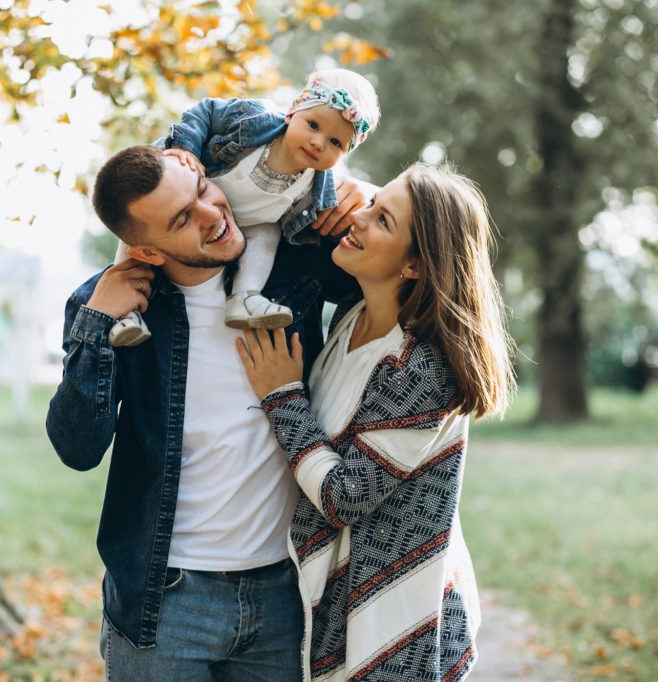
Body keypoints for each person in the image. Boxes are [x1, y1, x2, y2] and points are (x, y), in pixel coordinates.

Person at [45, 144, 365, 680]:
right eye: (182, 220)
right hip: (166, 603)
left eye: (201, 192)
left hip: (285, 595)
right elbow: (76, 447)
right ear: (145, 251)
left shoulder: (290, 271)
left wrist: (354, 193)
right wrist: (97, 321)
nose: (213, 214)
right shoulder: (108, 305)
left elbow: (394, 268)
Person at [236, 163, 517, 681]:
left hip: (394, 630)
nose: (358, 220)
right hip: (335, 603)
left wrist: (281, 395)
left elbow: (346, 496)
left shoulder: (421, 369)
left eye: (382, 220)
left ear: (414, 264)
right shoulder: (350, 319)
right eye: (370, 206)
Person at [108, 68, 380, 346]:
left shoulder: (317, 189)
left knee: (267, 234)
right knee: (136, 233)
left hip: (248, 222)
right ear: (292, 111)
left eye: (335, 142)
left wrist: (373, 199)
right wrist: (185, 148)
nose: (318, 142)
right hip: (198, 185)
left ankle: (244, 296)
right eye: (313, 125)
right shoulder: (254, 120)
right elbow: (206, 111)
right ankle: (124, 312)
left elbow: (346, 221)